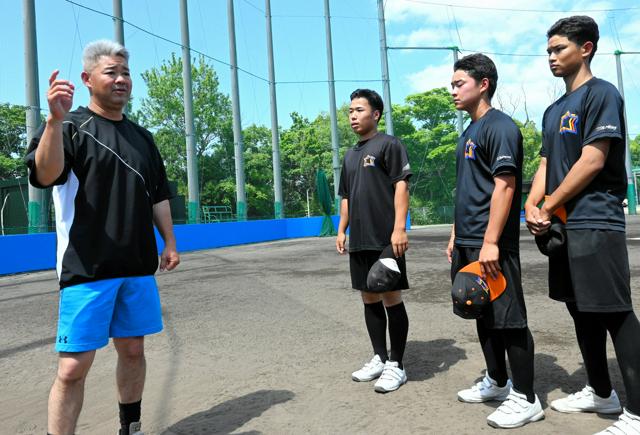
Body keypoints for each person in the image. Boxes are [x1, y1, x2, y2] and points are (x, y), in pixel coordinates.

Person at [24, 40, 179, 435]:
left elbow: (158, 195)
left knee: (133, 350)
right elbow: (44, 175)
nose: (121, 80)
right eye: (111, 72)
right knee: (73, 367)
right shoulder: (69, 126)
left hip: (137, 267)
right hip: (87, 267)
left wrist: (170, 243)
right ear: (87, 79)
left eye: (126, 72)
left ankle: (131, 427)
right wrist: (54, 123)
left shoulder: (143, 137)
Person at [525, 16, 640, 434]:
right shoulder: (554, 108)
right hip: (561, 226)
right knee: (580, 310)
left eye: (559, 49)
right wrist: (533, 203)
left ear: (586, 48)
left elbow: (592, 159)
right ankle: (601, 392)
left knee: (615, 312)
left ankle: (638, 413)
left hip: (595, 218)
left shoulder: (602, 94)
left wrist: (551, 203)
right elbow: (544, 162)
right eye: (549, 51)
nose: (552, 57)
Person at [448, 53, 543, 428]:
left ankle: (526, 397)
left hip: (492, 243)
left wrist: (490, 241)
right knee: (480, 311)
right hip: (469, 238)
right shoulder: (468, 131)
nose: (452, 90)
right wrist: (457, 235)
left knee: (509, 318)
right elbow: (468, 189)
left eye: (459, 83)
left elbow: (505, 186)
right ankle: (498, 381)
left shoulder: (500, 126)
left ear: (483, 84)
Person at [336, 88, 412, 393]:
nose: (353, 116)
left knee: (391, 297)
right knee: (368, 297)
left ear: (376, 114)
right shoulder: (349, 155)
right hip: (360, 239)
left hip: (385, 238)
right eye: (350, 111)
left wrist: (399, 229)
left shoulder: (389, 145)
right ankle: (379, 357)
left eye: (359, 110)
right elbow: (345, 197)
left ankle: (397, 364)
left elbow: (401, 188)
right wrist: (342, 229)